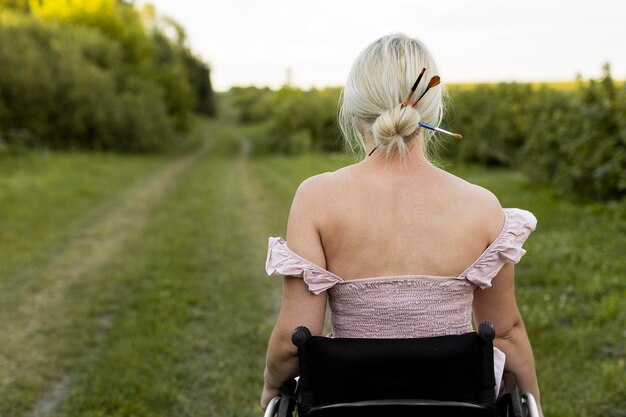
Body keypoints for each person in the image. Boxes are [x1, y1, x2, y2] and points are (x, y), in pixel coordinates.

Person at [260, 33, 544, 416]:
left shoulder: (317, 199)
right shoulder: (481, 206)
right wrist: (533, 405)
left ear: (355, 112)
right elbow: (507, 334)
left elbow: (295, 339)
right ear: (433, 109)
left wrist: (269, 388)